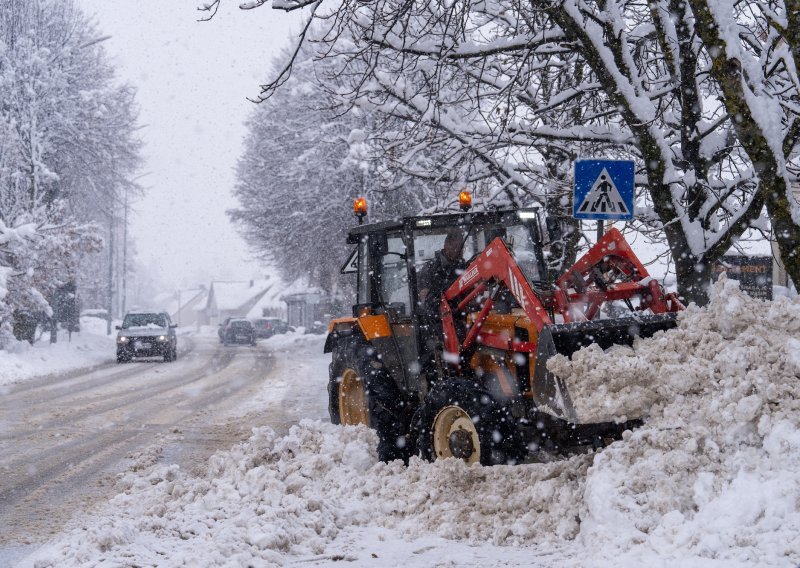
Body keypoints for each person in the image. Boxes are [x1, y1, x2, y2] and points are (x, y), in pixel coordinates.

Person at [415, 229, 466, 375]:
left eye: (461, 248)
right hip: (436, 321)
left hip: (461, 316)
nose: (458, 251)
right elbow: (426, 301)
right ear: (447, 246)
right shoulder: (431, 269)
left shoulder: (465, 268)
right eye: (455, 247)